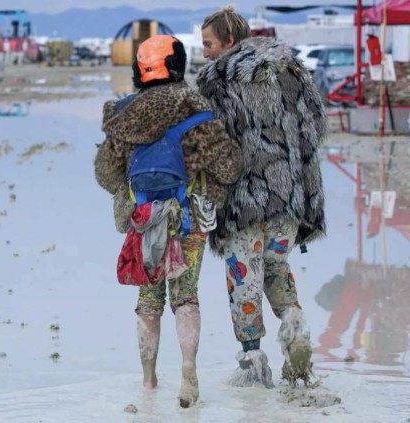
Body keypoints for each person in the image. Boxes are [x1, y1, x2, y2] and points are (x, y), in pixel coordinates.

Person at [94, 34, 242, 407]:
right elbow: (228, 166)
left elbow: (106, 175)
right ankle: (189, 372)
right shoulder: (196, 108)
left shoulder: (123, 113)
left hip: (142, 219)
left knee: (148, 298)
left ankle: (148, 382)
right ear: (177, 65)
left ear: (139, 69)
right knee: (186, 294)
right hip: (189, 218)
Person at [196, 5, 328, 387]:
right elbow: (315, 128)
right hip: (290, 198)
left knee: (244, 279)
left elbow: (211, 147)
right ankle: (295, 328)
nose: (204, 52)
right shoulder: (293, 72)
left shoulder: (218, 81)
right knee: (276, 268)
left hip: (243, 201)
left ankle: (253, 360)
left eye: (208, 44)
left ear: (230, 42)